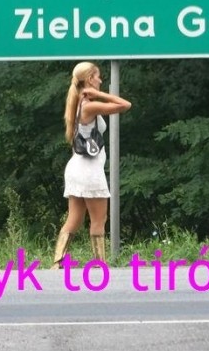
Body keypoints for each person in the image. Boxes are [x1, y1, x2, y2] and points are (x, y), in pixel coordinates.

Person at [51, 62, 132, 269]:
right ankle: (99, 263)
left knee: (74, 219)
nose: (100, 80)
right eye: (97, 77)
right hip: (89, 170)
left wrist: (94, 94)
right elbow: (125, 105)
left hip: (76, 168)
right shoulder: (89, 105)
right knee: (98, 220)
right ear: (89, 79)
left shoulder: (77, 103)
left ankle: (58, 261)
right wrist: (100, 94)